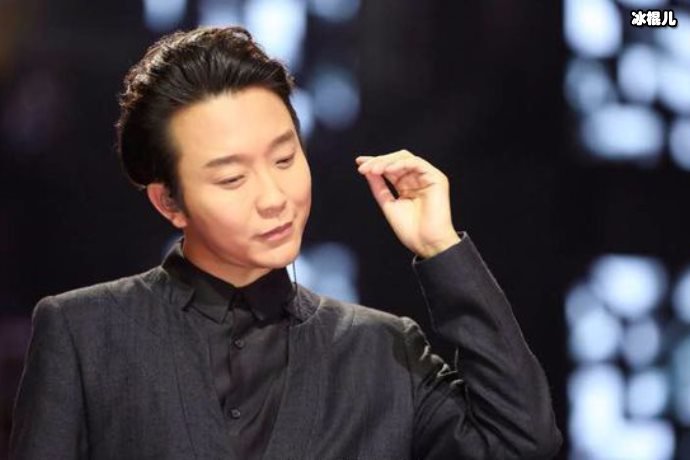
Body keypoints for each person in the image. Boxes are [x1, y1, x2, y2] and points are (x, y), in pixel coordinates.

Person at [9, 26, 561, 459]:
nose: (274, 198)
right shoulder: (84, 334)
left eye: (284, 158)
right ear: (168, 202)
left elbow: (521, 441)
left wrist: (440, 248)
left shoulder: (383, 350)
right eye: (232, 179)